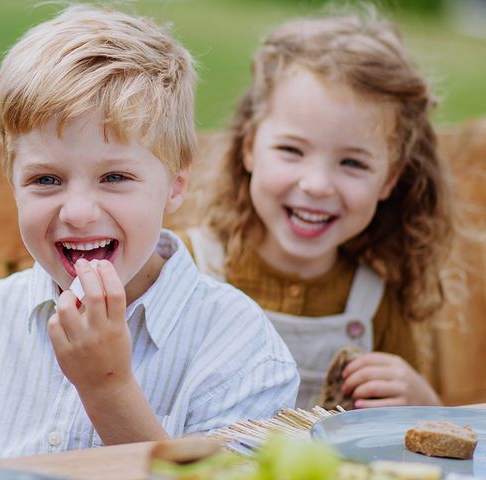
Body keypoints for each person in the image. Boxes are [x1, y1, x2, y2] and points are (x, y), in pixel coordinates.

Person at [0, 4, 298, 465]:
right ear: (12, 181)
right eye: (46, 179)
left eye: (115, 177)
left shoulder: (236, 348)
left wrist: (108, 388)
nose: (79, 213)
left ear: (175, 186)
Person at [181, 6, 452, 410]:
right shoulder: (187, 267)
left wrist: (421, 403)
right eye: (292, 150)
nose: (317, 185)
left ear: (390, 179)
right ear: (250, 146)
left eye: (353, 163)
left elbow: (406, 444)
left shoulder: (379, 305)